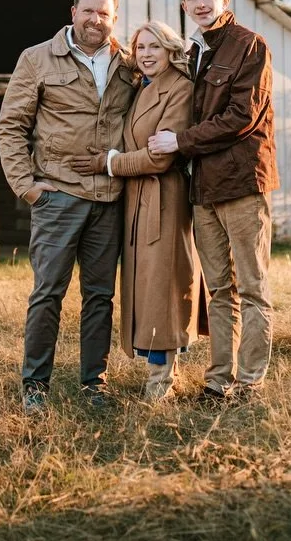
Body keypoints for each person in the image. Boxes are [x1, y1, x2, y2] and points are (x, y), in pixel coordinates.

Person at [0, 0, 138, 413]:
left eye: (105, 14)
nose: (96, 20)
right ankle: (34, 386)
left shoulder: (128, 65)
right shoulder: (37, 58)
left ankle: (94, 385)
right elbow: (11, 126)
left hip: (109, 198)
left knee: (100, 296)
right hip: (57, 197)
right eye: (89, 11)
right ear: (73, 11)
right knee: (48, 293)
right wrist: (27, 187)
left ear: (114, 19)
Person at [148, 0, 278, 402]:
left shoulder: (249, 46)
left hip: (242, 183)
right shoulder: (192, 53)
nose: (201, 3)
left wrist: (180, 142)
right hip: (203, 189)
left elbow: (242, 116)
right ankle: (218, 380)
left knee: (252, 286)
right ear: (183, 5)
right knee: (219, 289)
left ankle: (250, 382)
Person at [70, 20, 200, 401]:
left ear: (170, 50)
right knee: (144, 288)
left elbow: (159, 159)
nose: (145, 54)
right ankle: (161, 372)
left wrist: (110, 163)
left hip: (164, 197)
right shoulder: (141, 86)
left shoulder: (180, 89)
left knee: (162, 287)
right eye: (140, 47)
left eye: (154, 47)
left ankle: (162, 382)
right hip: (137, 200)